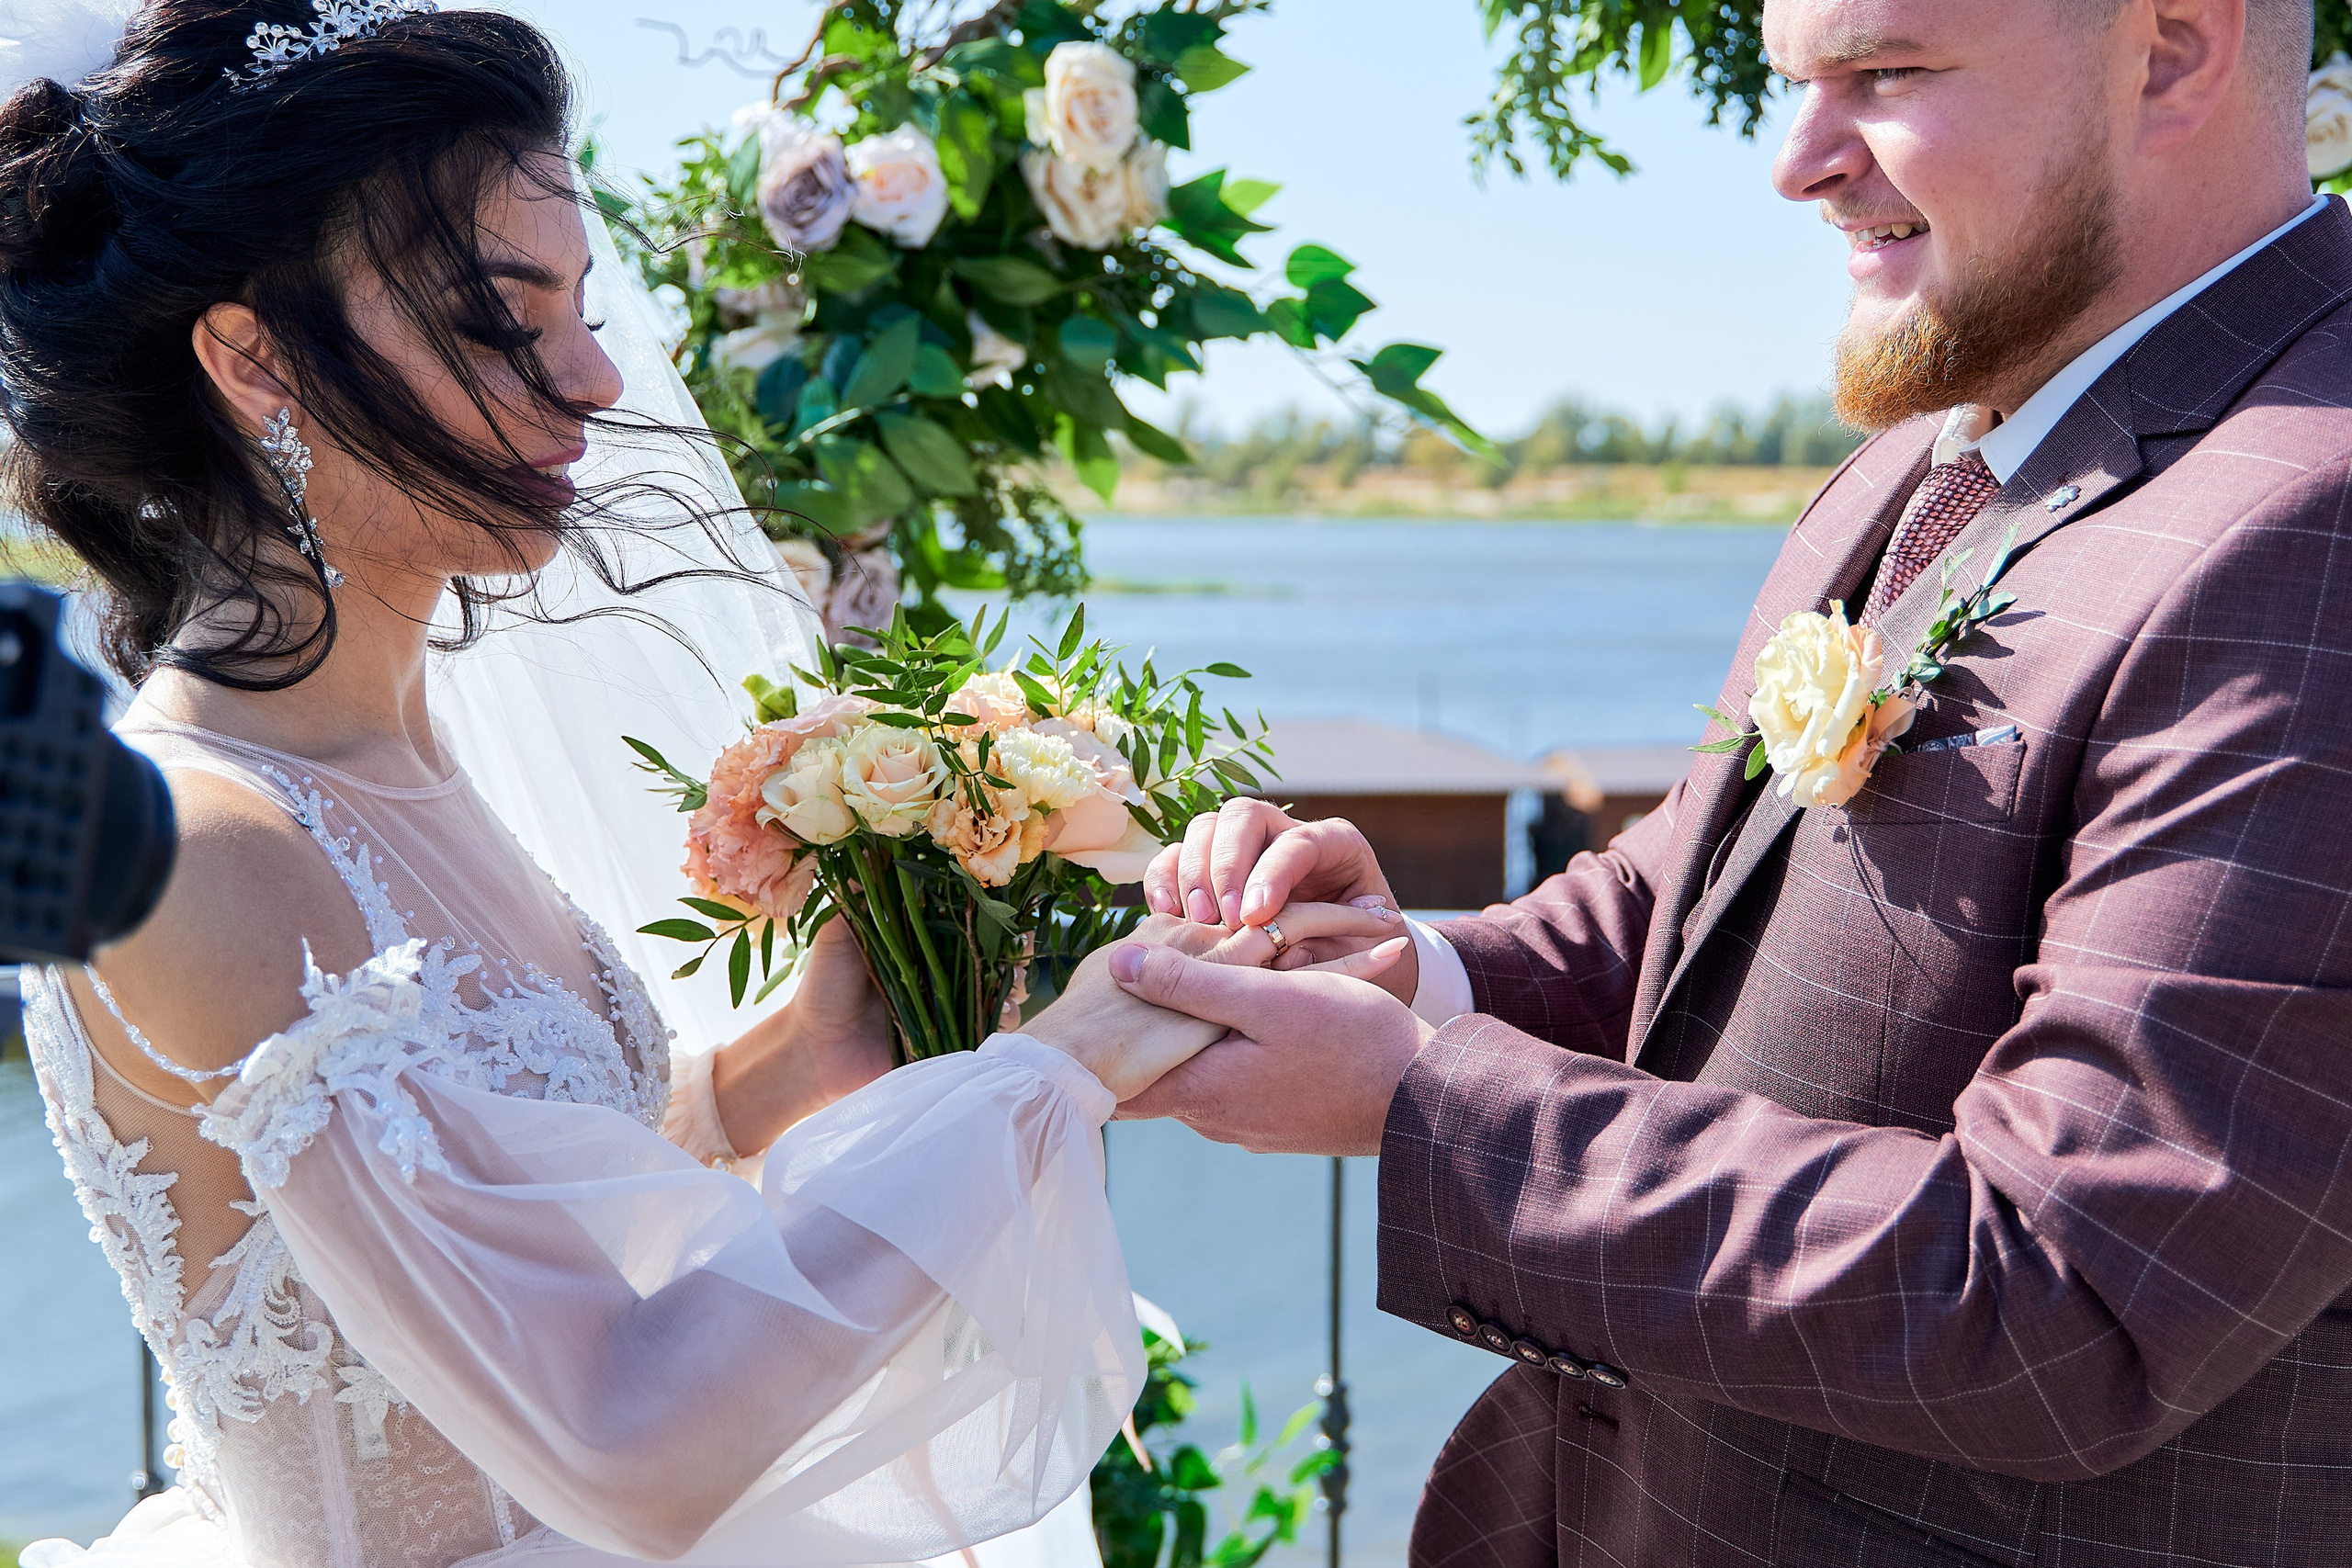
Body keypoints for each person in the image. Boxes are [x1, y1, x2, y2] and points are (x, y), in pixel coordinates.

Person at [0, 5, 1404, 1566]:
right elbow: (621, 1446)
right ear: (251, 358)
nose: (597, 378)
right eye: (498, 320)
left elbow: (520, 1198)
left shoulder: (404, 759)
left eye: (586, 306)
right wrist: (1052, 1074)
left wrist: (789, 1059)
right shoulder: (209, 849)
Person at [1114, 0, 2352, 1562]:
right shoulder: (1935, 447)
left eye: (1886, 75)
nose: (1798, 165)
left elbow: (2071, 1296)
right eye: (1795, 84)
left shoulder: (2322, 522)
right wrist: (1411, 972)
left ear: (2171, 47)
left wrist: (1428, 1108)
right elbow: (1698, 888)